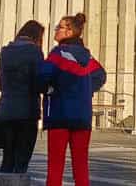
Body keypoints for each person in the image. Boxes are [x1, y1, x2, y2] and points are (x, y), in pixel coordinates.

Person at [36, 12, 106, 186]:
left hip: (59, 115)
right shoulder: (87, 57)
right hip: (82, 115)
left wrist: (51, 89)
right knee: (81, 165)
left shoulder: (58, 54)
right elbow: (100, 75)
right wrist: (85, 90)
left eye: (59, 27)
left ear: (69, 32)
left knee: (55, 166)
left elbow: (42, 77)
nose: (56, 30)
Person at [0, 20, 46, 174]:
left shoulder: (5, 51)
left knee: (7, 158)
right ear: (37, 36)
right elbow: (39, 82)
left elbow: (0, 83)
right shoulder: (35, 52)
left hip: (7, 110)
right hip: (27, 111)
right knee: (21, 161)